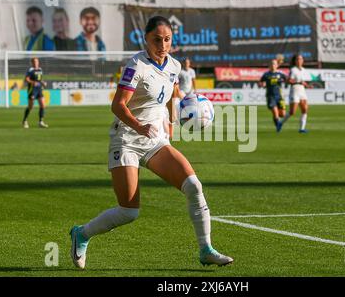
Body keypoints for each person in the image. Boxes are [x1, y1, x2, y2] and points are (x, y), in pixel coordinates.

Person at [69, 16, 233, 269]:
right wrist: (139, 126)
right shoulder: (136, 65)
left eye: (167, 39)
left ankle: (206, 249)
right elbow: (118, 105)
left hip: (155, 141)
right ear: (145, 39)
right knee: (128, 211)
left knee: (193, 186)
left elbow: (171, 95)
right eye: (157, 39)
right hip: (126, 140)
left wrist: (171, 124)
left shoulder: (175, 66)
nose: (163, 44)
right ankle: (82, 234)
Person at [279, 54, 310, 133]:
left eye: (301, 59)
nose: (299, 60)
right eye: (298, 59)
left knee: (305, 110)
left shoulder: (304, 70)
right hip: (295, 90)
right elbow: (289, 81)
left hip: (302, 90)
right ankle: (280, 123)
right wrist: (300, 82)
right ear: (295, 61)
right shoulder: (293, 69)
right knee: (292, 112)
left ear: (303, 60)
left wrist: (307, 85)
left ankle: (302, 129)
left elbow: (303, 81)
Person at [258, 58, 287, 132]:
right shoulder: (266, 74)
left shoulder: (280, 74)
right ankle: (278, 126)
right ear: (269, 65)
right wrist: (262, 84)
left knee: (283, 114)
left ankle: (277, 121)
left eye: (274, 63)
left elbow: (288, 80)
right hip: (270, 96)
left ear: (277, 65)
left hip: (280, 96)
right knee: (275, 111)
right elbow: (260, 83)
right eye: (271, 63)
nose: (272, 65)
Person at [22, 58, 49, 128]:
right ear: (32, 63)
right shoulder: (30, 70)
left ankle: (41, 122)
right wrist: (32, 82)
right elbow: (27, 79)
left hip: (39, 89)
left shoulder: (40, 69)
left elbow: (40, 79)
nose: (36, 63)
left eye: (37, 61)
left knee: (43, 105)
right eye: (34, 62)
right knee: (31, 107)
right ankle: (25, 121)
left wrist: (43, 83)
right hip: (32, 90)